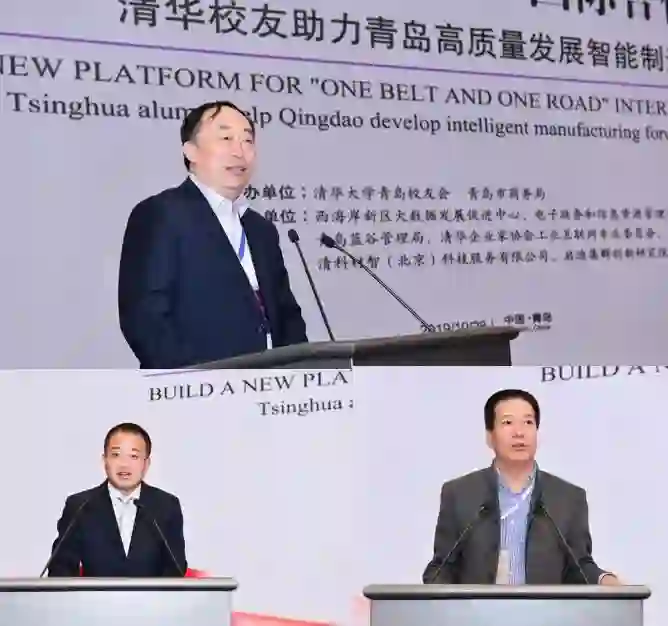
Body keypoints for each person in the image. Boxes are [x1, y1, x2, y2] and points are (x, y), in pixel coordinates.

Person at [118, 100, 308, 369]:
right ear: (191, 151)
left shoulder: (261, 229)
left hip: (273, 386)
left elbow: (287, 315)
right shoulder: (161, 214)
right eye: (226, 138)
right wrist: (196, 382)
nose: (239, 151)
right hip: (199, 387)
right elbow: (145, 320)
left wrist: (300, 374)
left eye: (247, 141)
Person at [422, 389, 620, 585]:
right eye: (508, 423)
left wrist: (603, 579)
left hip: (544, 607)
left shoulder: (569, 498)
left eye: (528, 422)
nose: (519, 433)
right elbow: (442, 567)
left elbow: (579, 566)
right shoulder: (459, 494)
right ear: (490, 436)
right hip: (478, 607)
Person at [47, 423, 187, 577]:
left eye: (133, 456)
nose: (124, 464)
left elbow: (175, 569)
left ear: (146, 464)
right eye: (116, 455)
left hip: (152, 594)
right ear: (104, 460)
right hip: (93, 594)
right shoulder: (80, 506)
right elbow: (60, 568)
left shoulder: (166, 506)